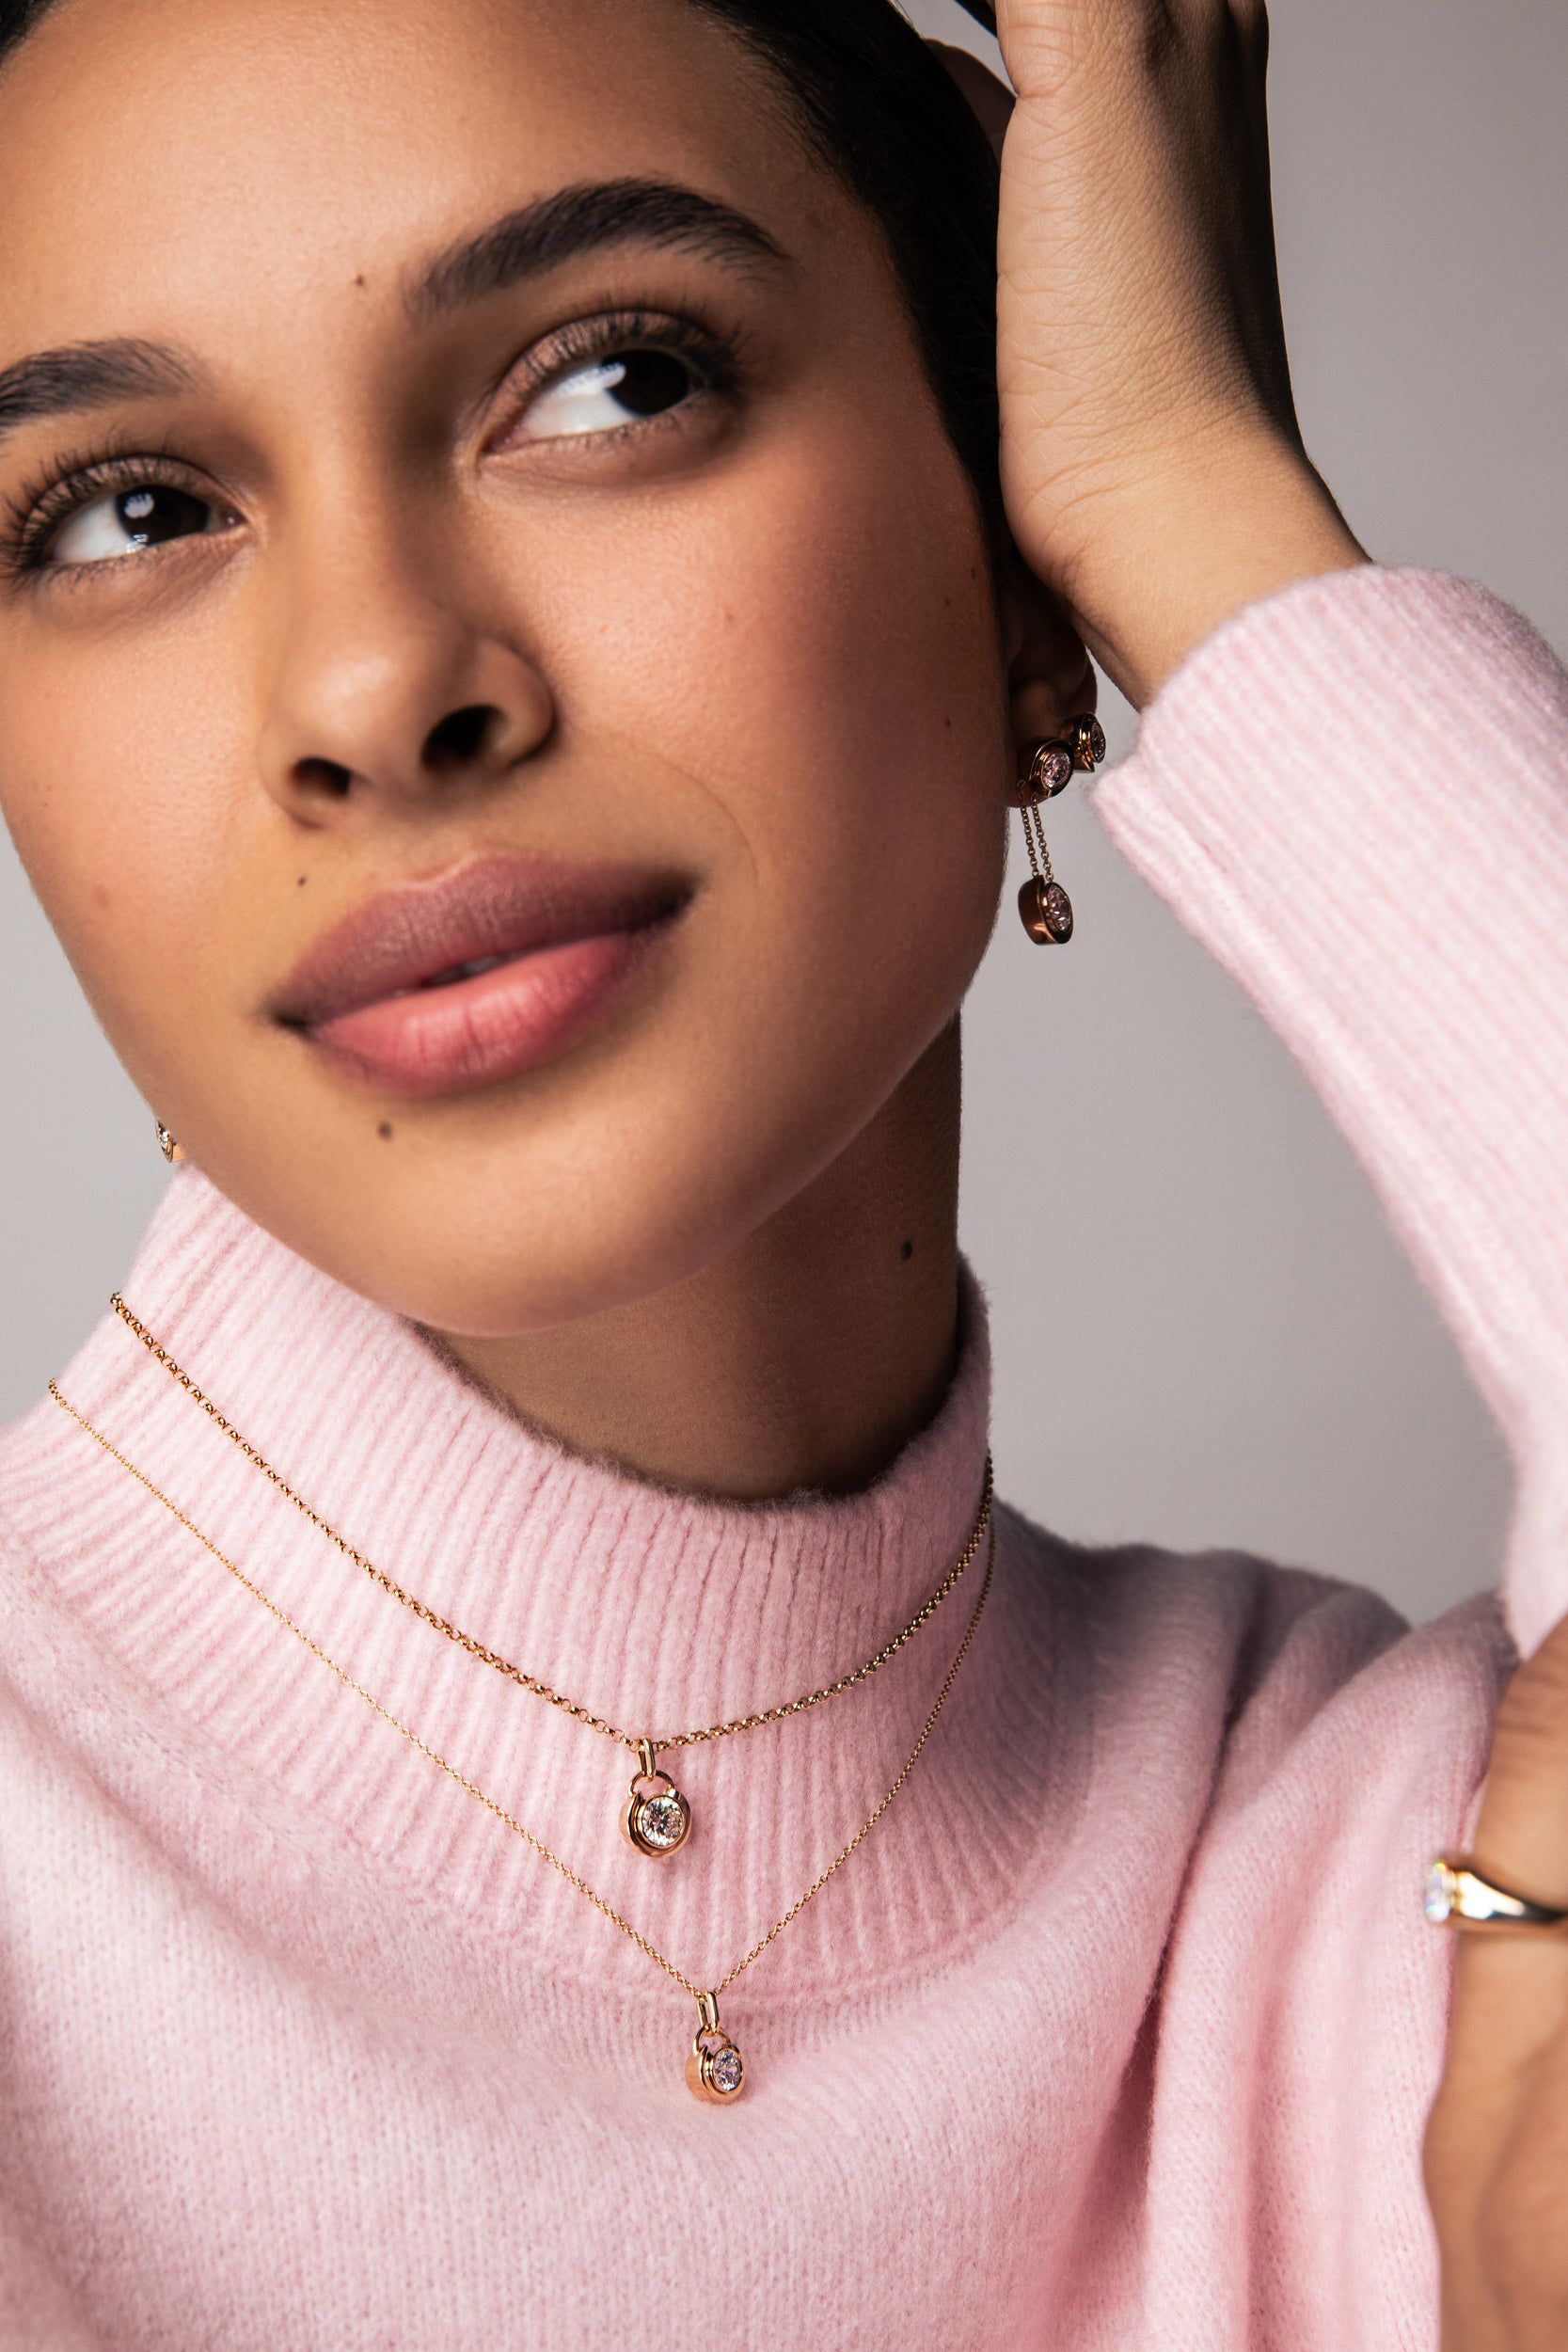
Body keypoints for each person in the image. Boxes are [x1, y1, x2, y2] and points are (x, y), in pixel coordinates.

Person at [0, 0, 1564, 2342]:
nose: (371, 685)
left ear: (1021, 558)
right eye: (127, 512)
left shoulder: (1424, 1883)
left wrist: (1198, 503)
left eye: (614, 379)